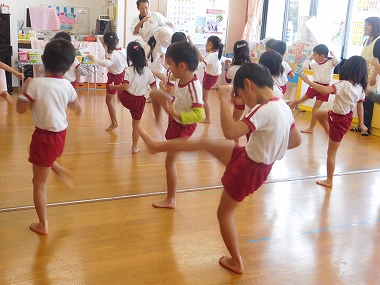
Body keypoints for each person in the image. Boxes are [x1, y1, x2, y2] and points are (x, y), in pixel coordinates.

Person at [138, 62, 302, 273]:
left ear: (248, 84)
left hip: (249, 169)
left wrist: (225, 99)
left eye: (241, 96)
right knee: (203, 143)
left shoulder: (263, 109)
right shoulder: (283, 106)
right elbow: (296, 140)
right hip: (252, 160)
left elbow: (231, 133)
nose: (243, 101)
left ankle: (237, 261)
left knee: (224, 215)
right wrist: (272, 147)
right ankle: (156, 146)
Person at [16, 39, 82, 235]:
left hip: (45, 136)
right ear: (70, 65)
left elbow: (20, 110)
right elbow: (77, 108)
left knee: (38, 184)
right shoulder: (68, 86)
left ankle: (43, 224)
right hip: (60, 135)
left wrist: (24, 88)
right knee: (37, 154)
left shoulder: (34, 84)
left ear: (43, 59)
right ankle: (58, 169)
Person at [148, 41, 205, 209]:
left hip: (184, 126)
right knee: (155, 93)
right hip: (176, 115)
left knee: (169, 162)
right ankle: (158, 121)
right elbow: (168, 78)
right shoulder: (179, 76)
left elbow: (199, 115)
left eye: (170, 64)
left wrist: (174, 113)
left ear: (182, 65)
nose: (168, 67)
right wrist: (153, 72)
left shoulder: (194, 87)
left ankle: (171, 199)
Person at [301, 56, 368, 188]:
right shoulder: (360, 88)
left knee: (331, 153)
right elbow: (360, 106)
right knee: (317, 112)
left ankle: (329, 180)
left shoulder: (343, 84)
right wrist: (361, 123)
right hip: (344, 116)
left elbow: (325, 90)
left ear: (348, 68)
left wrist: (308, 81)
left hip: (338, 119)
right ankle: (329, 133)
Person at [109, 41, 157, 154]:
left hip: (126, 98)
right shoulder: (149, 71)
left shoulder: (129, 70)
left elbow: (125, 86)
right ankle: (134, 148)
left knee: (120, 90)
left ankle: (118, 99)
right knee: (136, 125)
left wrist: (113, 86)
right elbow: (154, 89)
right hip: (139, 101)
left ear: (129, 57)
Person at [288, 44, 340, 134]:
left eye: (315, 55)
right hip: (314, 86)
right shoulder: (314, 65)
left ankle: (311, 128)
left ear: (322, 56)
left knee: (316, 108)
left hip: (325, 88)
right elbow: (304, 66)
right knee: (300, 100)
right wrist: (310, 58)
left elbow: (337, 61)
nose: (314, 56)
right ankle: (288, 107)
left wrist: (333, 54)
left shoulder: (330, 63)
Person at [88, 31, 127, 131]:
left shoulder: (113, 54)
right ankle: (119, 96)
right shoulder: (123, 50)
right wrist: (103, 44)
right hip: (122, 75)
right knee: (112, 99)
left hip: (114, 78)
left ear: (106, 43)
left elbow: (107, 63)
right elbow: (108, 54)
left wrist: (94, 59)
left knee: (108, 101)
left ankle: (114, 122)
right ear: (118, 40)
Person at [350, 16, 380, 136]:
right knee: (361, 101)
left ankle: (366, 127)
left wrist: (374, 75)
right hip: (363, 75)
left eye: (368, 25)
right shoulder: (366, 41)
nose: (366, 27)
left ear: (375, 26)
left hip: (373, 76)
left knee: (368, 102)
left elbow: (377, 61)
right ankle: (361, 125)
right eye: (365, 24)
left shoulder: (378, 41)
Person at [130, 0, 175, 74]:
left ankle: (177, 42)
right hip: (153, 43)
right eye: (142, 8)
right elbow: (134, 31)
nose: (145, 10)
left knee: (163, 30)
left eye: (146, 8)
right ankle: (157, 83)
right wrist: (142, 21)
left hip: (161, 35)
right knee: (157, 65)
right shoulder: (136, 20)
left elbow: (168, 23)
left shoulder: (155, 15)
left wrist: (177, 31)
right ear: (138, 8)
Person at [199, 35, 224, 124]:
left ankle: (208, 118)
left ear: (210, 44)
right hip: (212, 77)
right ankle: (205, 116)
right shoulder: (217, 54)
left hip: (209, 78)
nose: (205, 45)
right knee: (204, 98)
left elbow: (200, 65)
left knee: (204, 99)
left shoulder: (210, 56)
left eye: (206, 43)